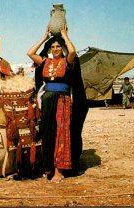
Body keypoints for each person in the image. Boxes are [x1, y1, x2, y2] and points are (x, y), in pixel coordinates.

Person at [27, 25, 88, 183]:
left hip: (63, 101)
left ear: (62, 48)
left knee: (61, 134)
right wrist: (44, 37)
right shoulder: (45, 62)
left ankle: (59, 171)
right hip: (47, 101)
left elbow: (73, 51)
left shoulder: (67, 62)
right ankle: (49, 167)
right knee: (48, 134)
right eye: (53, 46)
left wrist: (64, 35)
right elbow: (30, 53)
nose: (55, 49)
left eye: (58, 46)